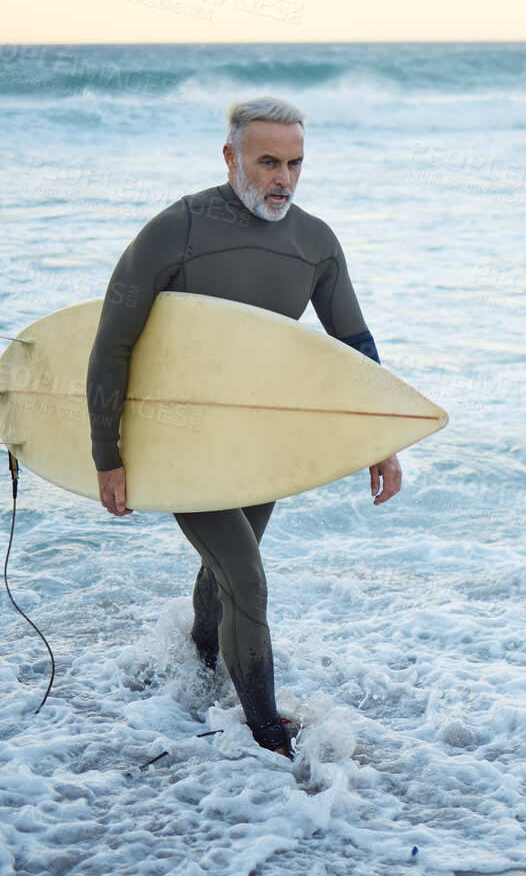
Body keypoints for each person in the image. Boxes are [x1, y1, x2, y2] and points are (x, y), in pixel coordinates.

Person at [85, 95, 401, 760]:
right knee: (247, 578)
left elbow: (352, 344)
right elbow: (113, 340)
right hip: (174, 438)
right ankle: (265, 737)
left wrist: (383, 441)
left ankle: (196, 676)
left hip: (254, 441)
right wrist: (106, 453)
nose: (282, 177)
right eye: (266, 162)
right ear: (231, 157)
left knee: (224, 574)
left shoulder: (313, 242)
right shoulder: (179, 228)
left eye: (294, 163)